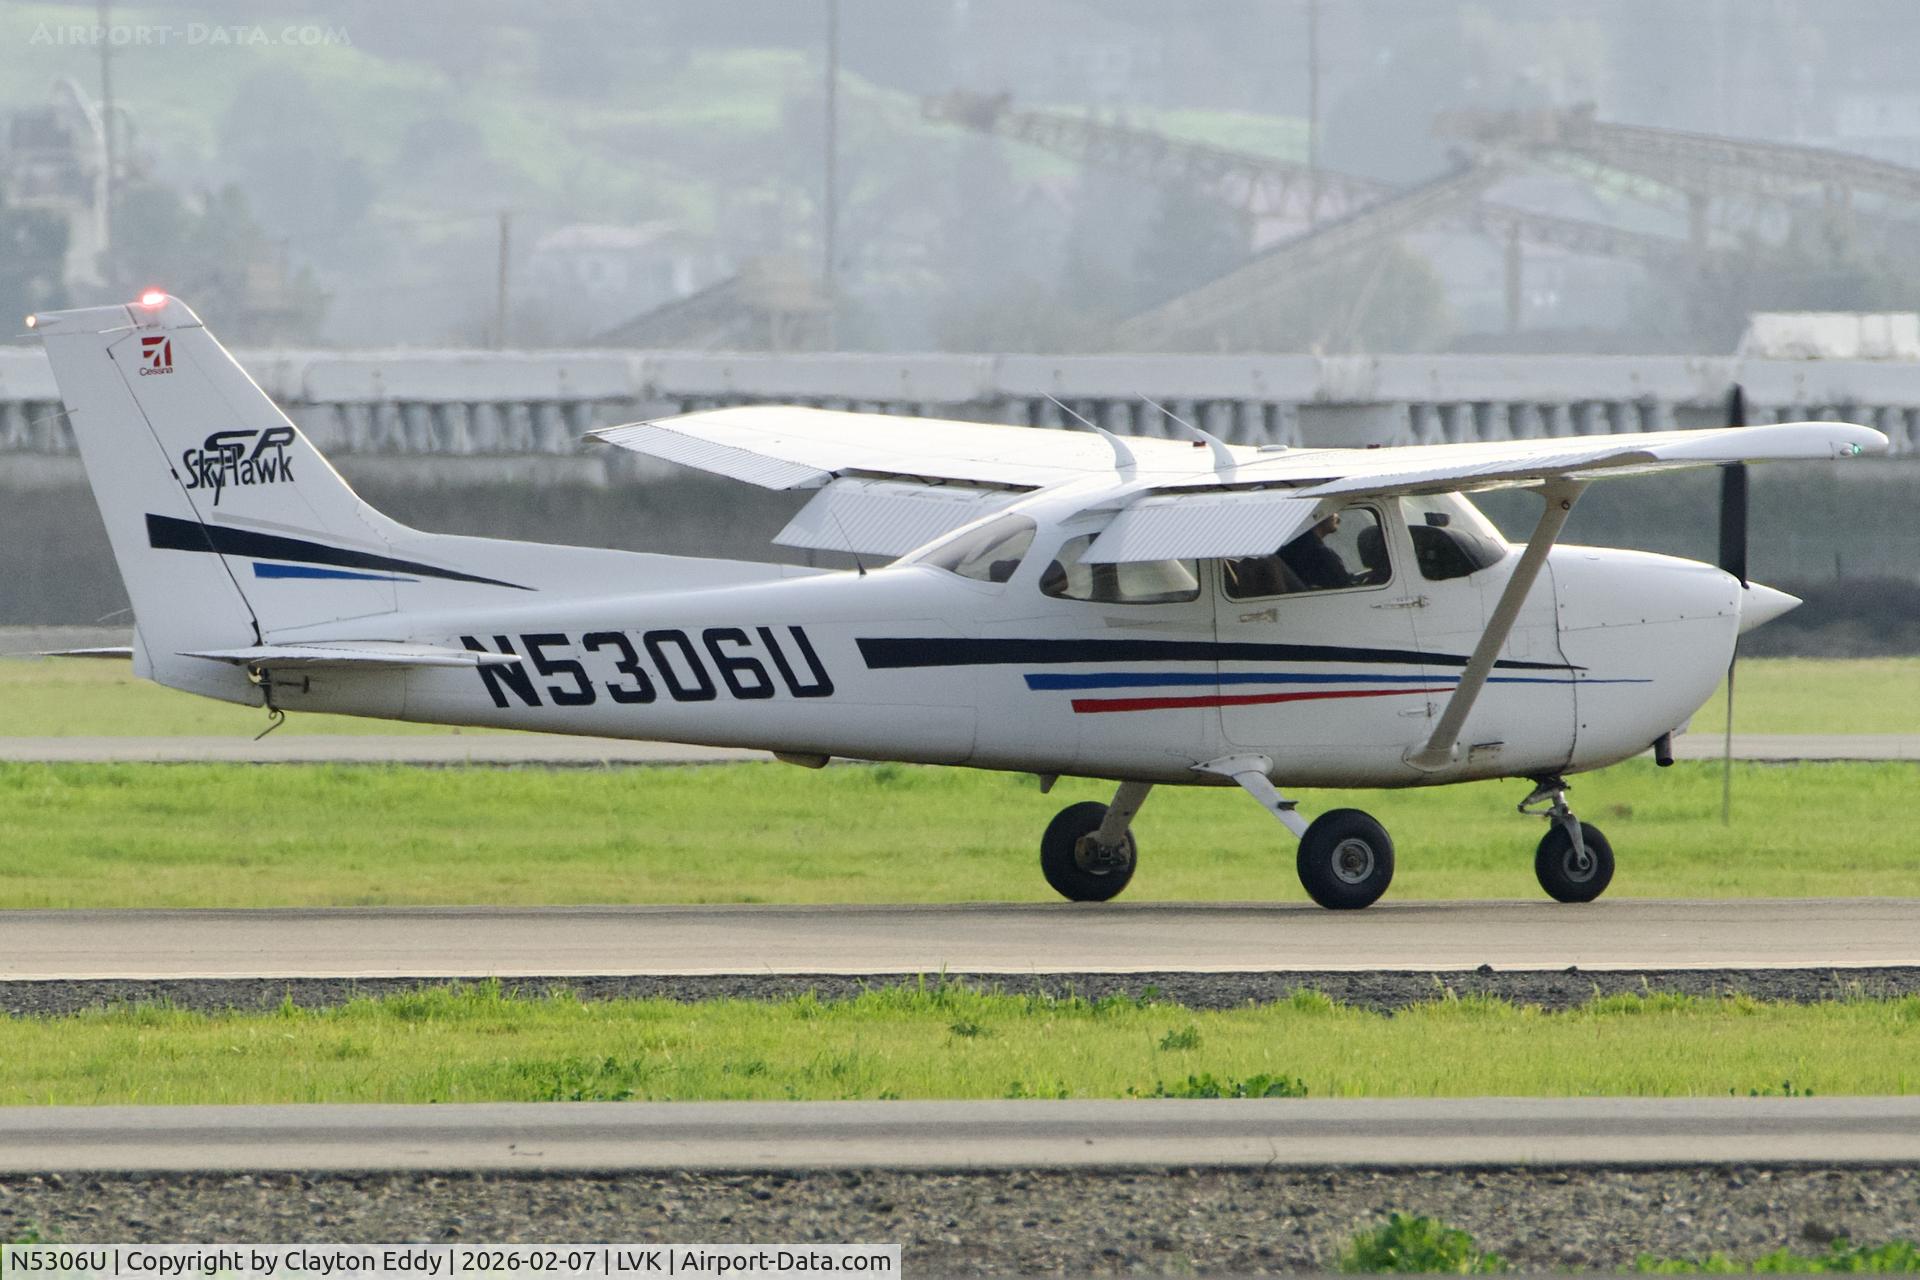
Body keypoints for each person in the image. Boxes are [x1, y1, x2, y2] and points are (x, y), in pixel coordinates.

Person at [1278, 512, 1353, 589]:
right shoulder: (1319, 553)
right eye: (1333, 513)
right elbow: (1344, 585)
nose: (1338, 518)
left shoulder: (1290, 547)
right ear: (1317, 516)